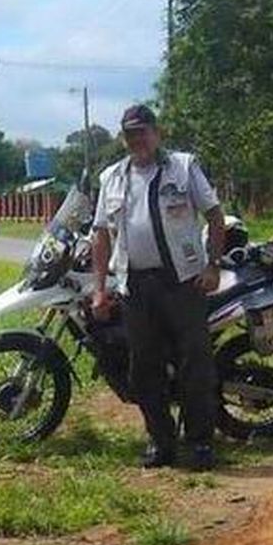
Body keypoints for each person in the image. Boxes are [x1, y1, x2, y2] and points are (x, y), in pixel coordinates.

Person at [90, 104, 226, 471]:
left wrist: (213, 265)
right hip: (136, 286)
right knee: (143, 369)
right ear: (124, 138)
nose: (137, 139)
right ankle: (160, 441)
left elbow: (215, 216)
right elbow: (101, 235)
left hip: (182, 283)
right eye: (130, 134)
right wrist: (100, 288)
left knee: (194, 364)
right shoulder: (112, 178)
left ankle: (199, 443)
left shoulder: (183, 167)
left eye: (143, 131)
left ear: (157, 132)